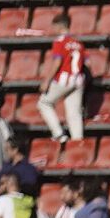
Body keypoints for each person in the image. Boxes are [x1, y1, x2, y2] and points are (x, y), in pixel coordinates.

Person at [38, 14, 88, 146]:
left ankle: (59, 134)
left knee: (44, 103)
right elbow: (86, 63)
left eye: (54, 26)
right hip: (78, 80)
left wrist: (47, 81)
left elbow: (57, 62)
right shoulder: (78, 43)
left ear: (59, 26)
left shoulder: (59, 41)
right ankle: (78, 142)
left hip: (64, 79)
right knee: (74, 113)